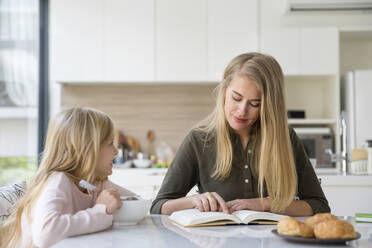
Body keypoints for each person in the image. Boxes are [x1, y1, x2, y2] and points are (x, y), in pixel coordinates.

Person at [150, 52, 330, 216]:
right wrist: (193, 201)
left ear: (269, 107)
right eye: (236, 98)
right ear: (224, 91)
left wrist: (266, 204)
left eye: (255, 104)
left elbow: (319, 206)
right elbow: (159, 207)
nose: (242, 111)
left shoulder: (286, 138)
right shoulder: (199, 139)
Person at [0, 107, 136, 248]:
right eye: (110, 144)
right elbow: (45, 234)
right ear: (86, 151)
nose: (116, 152)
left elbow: (136, 201)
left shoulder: (94, 183)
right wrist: (100, 210)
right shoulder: (58, 181)